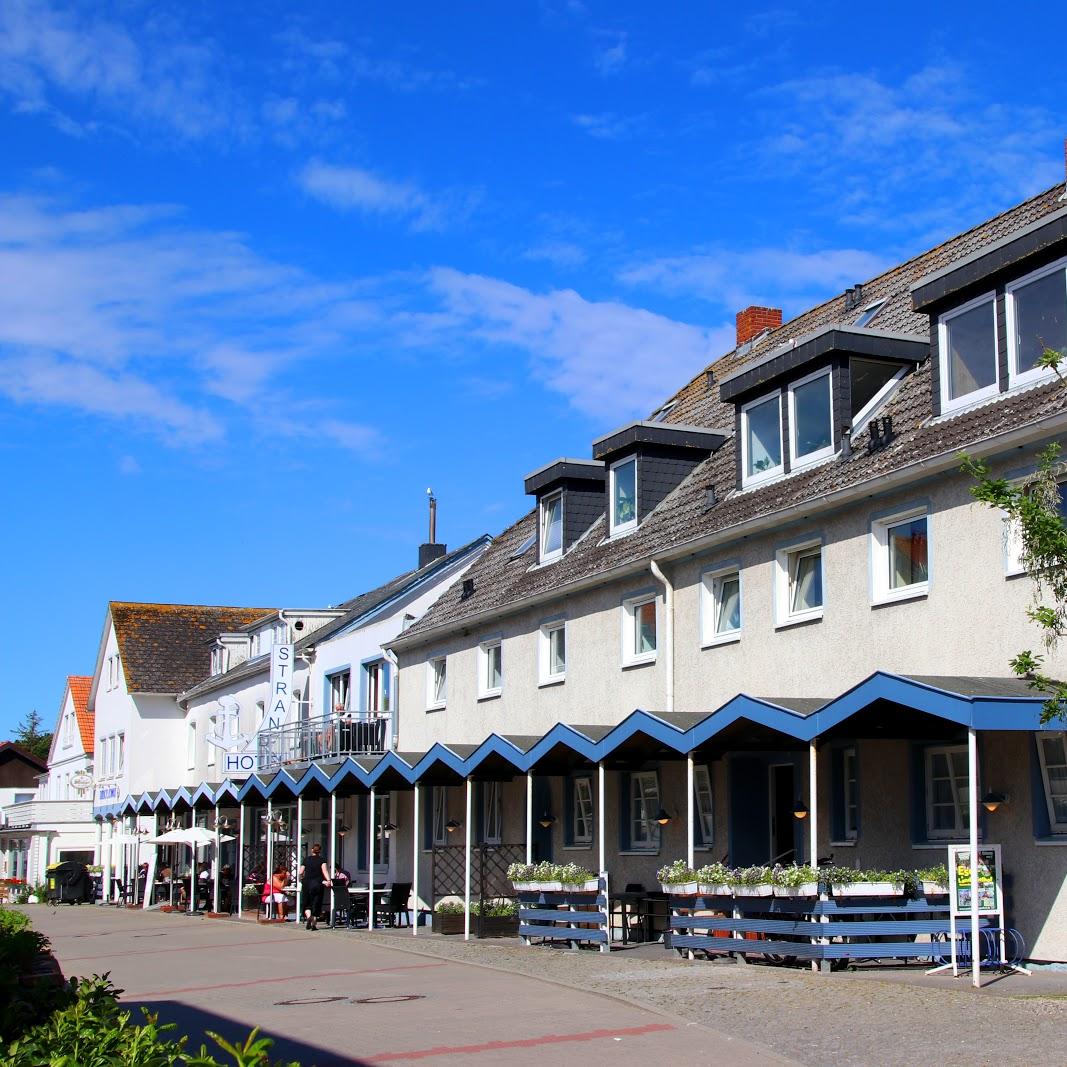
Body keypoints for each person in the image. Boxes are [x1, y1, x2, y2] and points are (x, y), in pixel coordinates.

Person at [298, 843, 331, 930]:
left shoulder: (306, 859)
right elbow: (325, 871)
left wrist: (301, 879)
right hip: (317, 883)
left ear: (312, 850)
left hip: (307, 883)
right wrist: (328, 880)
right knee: (316, 903)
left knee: (307, 903)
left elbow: (301, 872)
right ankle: (314, 924)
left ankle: (309, 917)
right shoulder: (322, 860)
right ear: (319, 851)